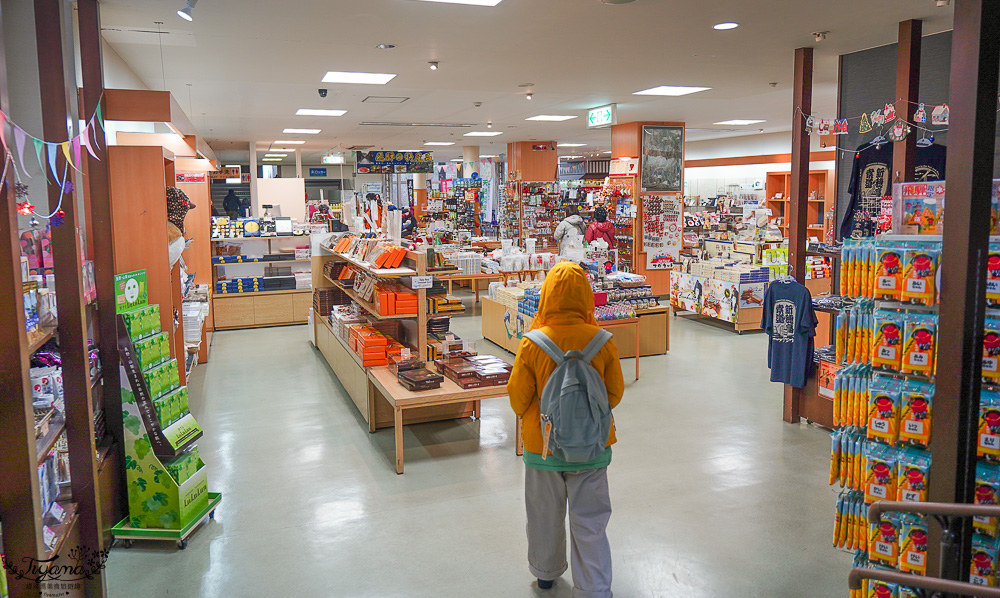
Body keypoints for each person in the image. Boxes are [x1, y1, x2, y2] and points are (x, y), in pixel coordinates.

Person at [508, 261, 624, 597]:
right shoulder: (603, 340)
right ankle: (595, 588)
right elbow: (614, 394)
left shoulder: (532, 343)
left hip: (542, 448)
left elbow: (518, 400)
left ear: (546, 297)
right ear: (586, 297)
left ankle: (546, 573)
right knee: (591, 522)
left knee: (544, 516)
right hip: (592, 446)